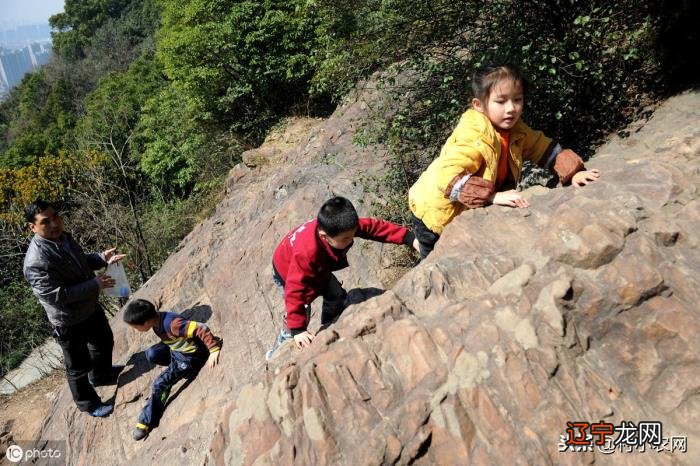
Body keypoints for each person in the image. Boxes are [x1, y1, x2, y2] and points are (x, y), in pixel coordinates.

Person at [408, 63, 601, 258]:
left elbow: (541, 148)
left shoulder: (515, 129)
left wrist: (574, 171)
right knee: (437, 257)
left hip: (470, 202)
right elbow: (448, 178)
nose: (511, 108)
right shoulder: (473, 134)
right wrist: (491, 197)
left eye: (517, 99)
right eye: (501, 101)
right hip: (435, 211)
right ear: (479, 105)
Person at [266, 196, 419, 360]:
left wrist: (409, 239)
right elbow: (295, 289)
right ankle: (278, 349)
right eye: (346, 239)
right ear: (324, 236)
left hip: (318, 268)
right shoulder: (307, 252)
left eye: (352, 235)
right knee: (302, 309)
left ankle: (330, 323)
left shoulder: (341, 227)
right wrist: (298, 329)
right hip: (287, 272)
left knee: (336, 295)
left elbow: (374, 228)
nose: (351, 239)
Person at [23, 200, 125, 417]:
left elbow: (80, 262)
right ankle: (88, 404)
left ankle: (102, 375)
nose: (54, 224)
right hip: (68, 319)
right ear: (33, 227)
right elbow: (56, 295)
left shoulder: (64, 238)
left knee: (104, 341)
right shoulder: (36, 261)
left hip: (89, 307)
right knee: (78, 366)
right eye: (45, 222)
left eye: (55, 217)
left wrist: (100, 258)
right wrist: (95, 284)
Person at [123, 299, 222, 441]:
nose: (135, 330)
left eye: (136, 327)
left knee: (160, 384)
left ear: (146, 322)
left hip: (189, 357)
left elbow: (201, 328)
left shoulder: (172, 324)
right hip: (177, 350)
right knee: (151, 353)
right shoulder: (156, 322)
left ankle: (145, 421)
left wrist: (213, 349)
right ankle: (177, 371)